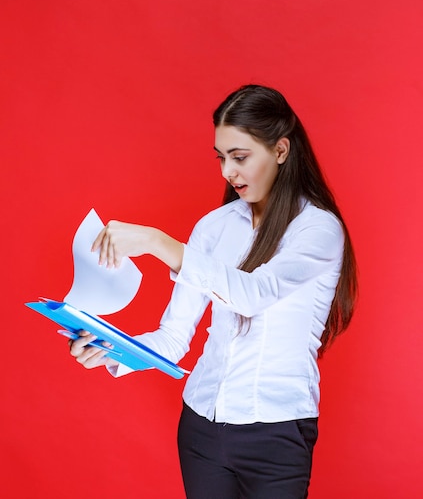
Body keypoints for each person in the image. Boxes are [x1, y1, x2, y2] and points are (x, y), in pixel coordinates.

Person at [69, 84, 357, 499]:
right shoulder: (213, 227)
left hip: (276, 433)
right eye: (222, 159)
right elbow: (172, 339)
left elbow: (254, 295)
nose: (227, 172)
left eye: (240, 158)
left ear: (280, 150)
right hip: (201, 429)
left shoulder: (317, 229)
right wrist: (107, 347)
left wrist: (158, 243)